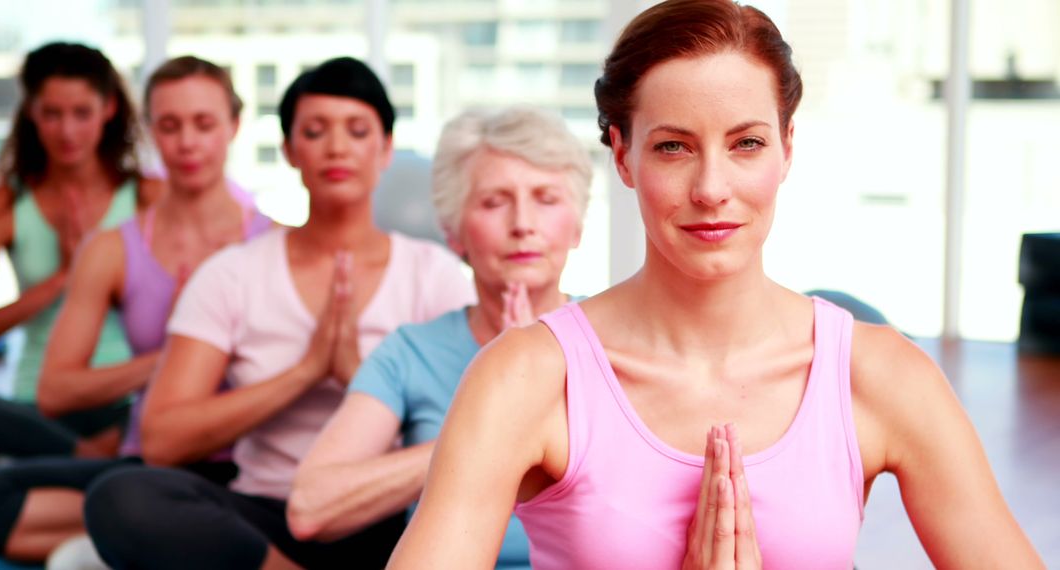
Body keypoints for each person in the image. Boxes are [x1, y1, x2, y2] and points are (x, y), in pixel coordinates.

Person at [387, 1, 1045, 569]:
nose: (711, 189)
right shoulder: (524, 378)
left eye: (747, 144)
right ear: (622, 155)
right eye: (673, 146)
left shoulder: (882, 375)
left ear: (787, 147)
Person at [83, 57, 475, 570]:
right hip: (266, 520)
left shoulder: (435, 275)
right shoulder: (234, 274)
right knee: (122, 497)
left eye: (357, 131)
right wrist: (305, 372)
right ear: (290, 150)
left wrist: (361, 376)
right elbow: (161, 440)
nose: (336, 147)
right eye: (314, 131)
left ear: (385, 150)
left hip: (391, 517)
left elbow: (461, 434)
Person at [0, 55, 273, 565]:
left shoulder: (273, 244)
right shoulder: (112, 246)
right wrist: (180, 355)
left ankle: (137, 532)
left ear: (234, 126)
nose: (187, 142)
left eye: (204, 123)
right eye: (169, 125)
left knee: (133, 503)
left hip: (243, 464)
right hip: (142, 457)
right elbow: (55, 391)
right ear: (149, 129)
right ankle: (139, 530)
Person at [288, 107, 592, 570]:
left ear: (577, 225)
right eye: (494, 202)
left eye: (546, 199)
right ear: (453, 233)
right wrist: (489, 425)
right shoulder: (411, 353)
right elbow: (311, 507)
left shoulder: (621, 334)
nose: (523, 223)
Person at [0, 43, 164, 460]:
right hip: (34, 405)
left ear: (109, 108)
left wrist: (99, 272)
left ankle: (81, 458)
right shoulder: (3, 205)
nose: (67, 132)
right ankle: (85, 455)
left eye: (82, 113)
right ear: (31, 112)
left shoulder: (148, 197)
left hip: (126, 397)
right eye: (52, 114)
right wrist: (62, 280)